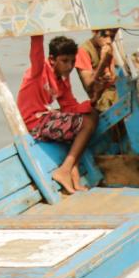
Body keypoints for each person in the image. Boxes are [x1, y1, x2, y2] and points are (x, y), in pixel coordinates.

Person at [17, 35, 100, 195]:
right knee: (86, 123)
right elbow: (36, 50)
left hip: (47, 119)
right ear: (52, 59)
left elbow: (71, 107)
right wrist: (37, 32)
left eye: (72, 61)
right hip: (34, 123)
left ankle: (73, 171)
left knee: (92, 116)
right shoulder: (38, 71)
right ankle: (65, 170)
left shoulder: (62, 79)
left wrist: (94, 100)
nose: (69, 66)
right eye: (64, 61)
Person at [76, 28, 120, 113]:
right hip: (100, 97)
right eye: (105, 36)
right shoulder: (83, 51)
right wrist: (103, 62)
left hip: (115, 90)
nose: (109, 41)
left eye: (112, 37)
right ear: (94, 32)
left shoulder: (109, 46)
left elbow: (113, 74)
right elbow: (89, 85)